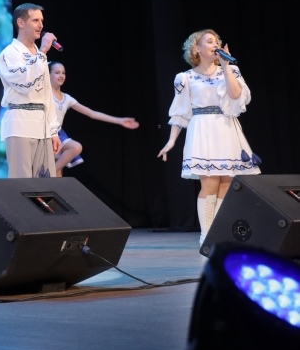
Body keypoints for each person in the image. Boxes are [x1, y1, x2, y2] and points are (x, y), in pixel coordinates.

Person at [157, 29, 260, 246]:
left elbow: (236, 95)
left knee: (226, 184)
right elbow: (180, 111)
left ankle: (218, 234)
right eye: (210, 41)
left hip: (226, 129)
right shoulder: (185, 78)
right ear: (197, 48)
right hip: (203, 130)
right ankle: (206, 236)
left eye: (217, 42)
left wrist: (226, 67)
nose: (216, 45)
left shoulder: (230, 70)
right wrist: (171, 140)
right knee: (210, 183)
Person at [0, 3, 61, 178]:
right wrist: (43, 51)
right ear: (21, 23)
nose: (40, 25)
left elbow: (46, 95)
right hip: (20, 124)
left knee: (46, 183)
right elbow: (25, 83)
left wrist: (53, 130)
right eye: (35, 20)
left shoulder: (39, 55)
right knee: (22, 183)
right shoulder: (10, 53)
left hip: (43, 126)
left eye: (41, 20)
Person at [48, 60, 140, 177]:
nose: (61, 76)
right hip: (45, 133)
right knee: (61, 162)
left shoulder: (67, 98)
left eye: (63, 73)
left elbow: (92, 113)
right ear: (48, 74)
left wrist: (119, 121)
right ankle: (47, 175)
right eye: (57, 72)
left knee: (70, 153)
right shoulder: (43, 95)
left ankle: (48, 174)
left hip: (59, 134)